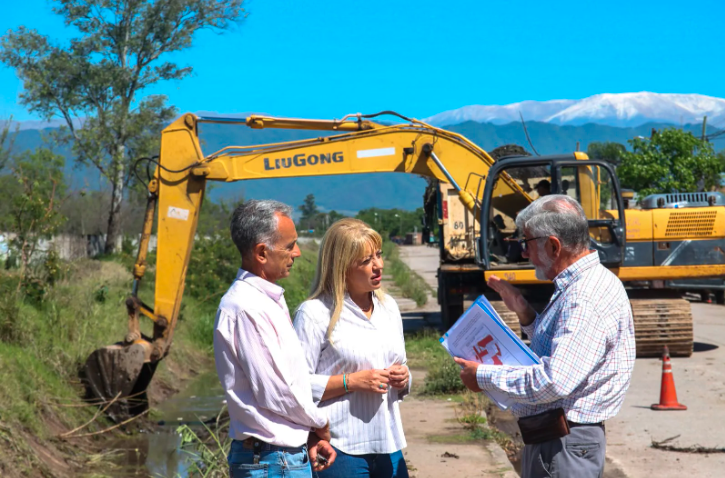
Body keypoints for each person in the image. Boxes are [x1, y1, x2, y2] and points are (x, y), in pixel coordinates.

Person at [455, 195, 635, 478]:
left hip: (563, 445)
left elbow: (554, 381)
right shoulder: (579, 285)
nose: (524, 254)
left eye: (527, 243)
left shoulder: (583, 297)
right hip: (556, 440)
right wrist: (525, 314)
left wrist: (482, 376)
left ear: (553, 245)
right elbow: (560, 350)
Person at [213, 200, 337, 478]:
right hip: (271, 460)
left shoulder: (264, 300)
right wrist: (319, 422)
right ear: (261, 252)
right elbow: (277, 392)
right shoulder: (247, 307)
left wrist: (308, 433)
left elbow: (289, 382)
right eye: (289, 245)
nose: (298, 252)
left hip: (277, 457)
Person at [293, 218, 411, 478]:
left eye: (378, 255)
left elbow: (402, 364)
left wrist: (404, 377)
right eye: (366, 261)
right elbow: (295, 386)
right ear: (341, 267)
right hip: (339, 448)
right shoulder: (314, 313)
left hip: (388, 443)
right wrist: (351, 381)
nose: (378, 265)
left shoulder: (389, 307)